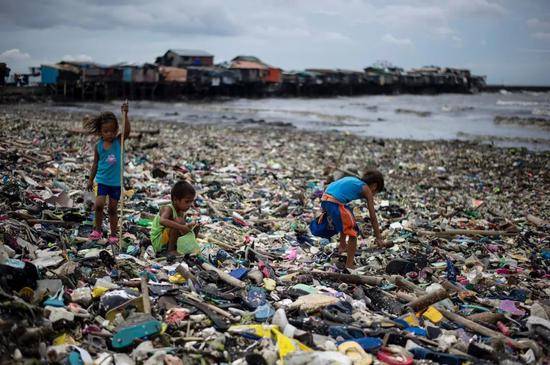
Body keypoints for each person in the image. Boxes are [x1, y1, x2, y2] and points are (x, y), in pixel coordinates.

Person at [310, 169, 386, 268]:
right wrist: (379, 238)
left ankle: (342, 246)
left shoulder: (353, 180)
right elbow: (373, 216)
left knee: (347, 219)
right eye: (375, 192)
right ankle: (349, 265)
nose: (374, 194)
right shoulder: (366, 188)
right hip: (335, 202)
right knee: (353, 232)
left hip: (325, 200)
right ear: (374, 186)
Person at [85, 102, 130, 244]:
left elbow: (127, 131)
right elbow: (95, 164)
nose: (109, 134)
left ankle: (113, 233)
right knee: (98, 205)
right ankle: (97, 230)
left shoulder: (119, 142)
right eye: (106, 131)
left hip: (115, 183)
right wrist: (90, 180)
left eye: (112, 130)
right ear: (100, 132)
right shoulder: (98, 146)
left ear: (116, 130)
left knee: (112, 209)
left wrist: (126, 114)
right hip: (102, 180)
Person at [150, 180, 200, 255]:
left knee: (196, 226)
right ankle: (170, 250)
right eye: (187, 201)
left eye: (191, 201)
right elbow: (162, 221)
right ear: (175, 199)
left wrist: (189, 226)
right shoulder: (168, 208)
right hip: (159, 242)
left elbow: (181, 229)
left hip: (168, 239)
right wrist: (182, 227)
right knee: (178, 222)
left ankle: (191, 245)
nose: (189, 205)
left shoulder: (182, 212)